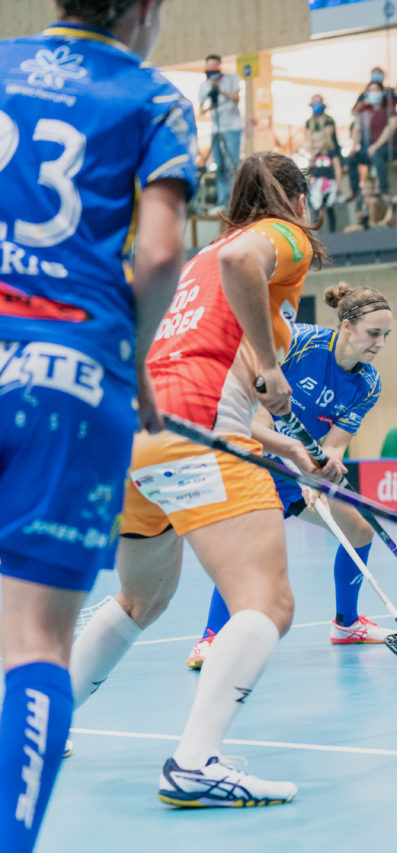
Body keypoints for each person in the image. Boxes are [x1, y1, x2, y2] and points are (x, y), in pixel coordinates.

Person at [70, 152, 326, 808]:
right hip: (198, 432)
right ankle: (194, 764)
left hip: (138, 435)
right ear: (299, 201)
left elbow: (197, 355)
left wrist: (282, 441)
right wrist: (271, 366)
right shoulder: (278, 238)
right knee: (267, 603)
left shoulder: (197, 263)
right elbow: (244, 269)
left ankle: (27, 728)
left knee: (141, 599)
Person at [0, 3, 195, 846]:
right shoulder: (152, 97)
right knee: (35, 640)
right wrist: (133, 360)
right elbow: (159, 254)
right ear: (146, 9)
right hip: (70, 378)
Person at [186, 283, 394, 669]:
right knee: (247, 550)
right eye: (373, 333)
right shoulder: (298, 343)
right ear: (347, 326)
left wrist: (323, 472)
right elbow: (255, 416)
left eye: (385, 335)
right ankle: (209, 639)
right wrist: (295, 459)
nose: (379, 343)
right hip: (254, 460)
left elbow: (335, 446)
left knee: (360, 530)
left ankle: (347, 624)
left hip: (297, 470)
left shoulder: (368, 385)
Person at [199, 54, 243, 210]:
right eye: (208, 66)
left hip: (233, 127)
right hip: (216, 129)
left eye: (214, 65)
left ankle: (234, 202)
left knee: (232, 165)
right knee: (219, 166)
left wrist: (221, 92)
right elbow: (201, 110)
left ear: (219, 66)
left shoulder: (231, 79)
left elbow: (236, 99)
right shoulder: (204, 85)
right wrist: (211, 101)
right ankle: (222, 202)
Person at [350, 79, 397, 194]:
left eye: (376, 90)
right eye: (371, 91)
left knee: (377, 153)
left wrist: (376, 146)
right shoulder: (365, 112)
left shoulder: (389, 109)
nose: (374, 93)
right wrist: (354, 147)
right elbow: (357, 128)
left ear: (382, 92)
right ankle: (355, 191)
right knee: (351, 158)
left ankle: (383, 189)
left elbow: (392, 126)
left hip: (390, 148)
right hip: (371, 150)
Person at [306, 96, 344, 232]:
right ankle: (316, 231)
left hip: (330, 183)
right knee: (317, 207)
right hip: (317, 184)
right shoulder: (309, 123)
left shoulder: (332, 153)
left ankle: (333, 231)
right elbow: (310, 170)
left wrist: (338, 185)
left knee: (330, 207)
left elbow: (338, 169)